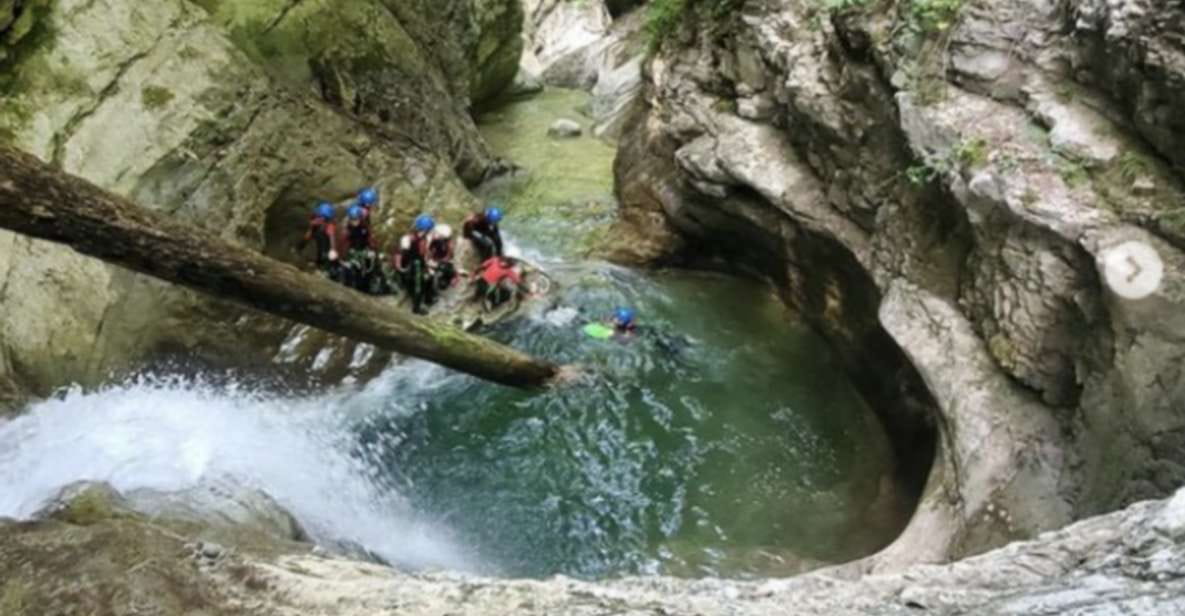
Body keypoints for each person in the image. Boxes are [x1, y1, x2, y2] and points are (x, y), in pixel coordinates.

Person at [393, 214, 436, 314]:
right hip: (411, 265)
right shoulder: (409, 239)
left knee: (428, 278)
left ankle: (427, 299)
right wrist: (399, 267)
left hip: (417, 264)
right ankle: (416, 307)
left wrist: (427, 265)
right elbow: (400, 254)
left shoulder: (422, 239)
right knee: (418, 284)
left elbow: (423, 254)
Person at [339, 204, 381, 293]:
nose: (355, 222)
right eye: (353, 219)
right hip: (351, 252)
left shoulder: (364, 227)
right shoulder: (347, 230)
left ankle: (368, 285)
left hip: (363, 250)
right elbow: (343, 244)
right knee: (351, 270)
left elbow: (370, 239)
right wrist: (344, 258)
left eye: (356, 219)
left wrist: (372, 250)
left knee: (369, 267)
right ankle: (350, 286)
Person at [297, 202, 340, 279]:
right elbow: (309, 233)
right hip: (318, 232)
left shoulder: (329, 225)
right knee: (319, 242)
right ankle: (320, 264)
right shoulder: (316, 219)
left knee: (324, 249)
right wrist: (301, 245)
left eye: (322, 218)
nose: (320, 219)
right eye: (319, 217)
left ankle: (326, 268)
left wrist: (333, 250)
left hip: (325, 237)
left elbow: (331, 238)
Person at [427, 223, 456, 291]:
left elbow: (450, 253)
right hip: (437, 258)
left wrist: (445, 259)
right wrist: (430, 257)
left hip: (445, 259)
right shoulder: (435, 240)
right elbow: (431, 250)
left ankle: (451, 277)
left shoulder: (449, 242)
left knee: (448, 268)